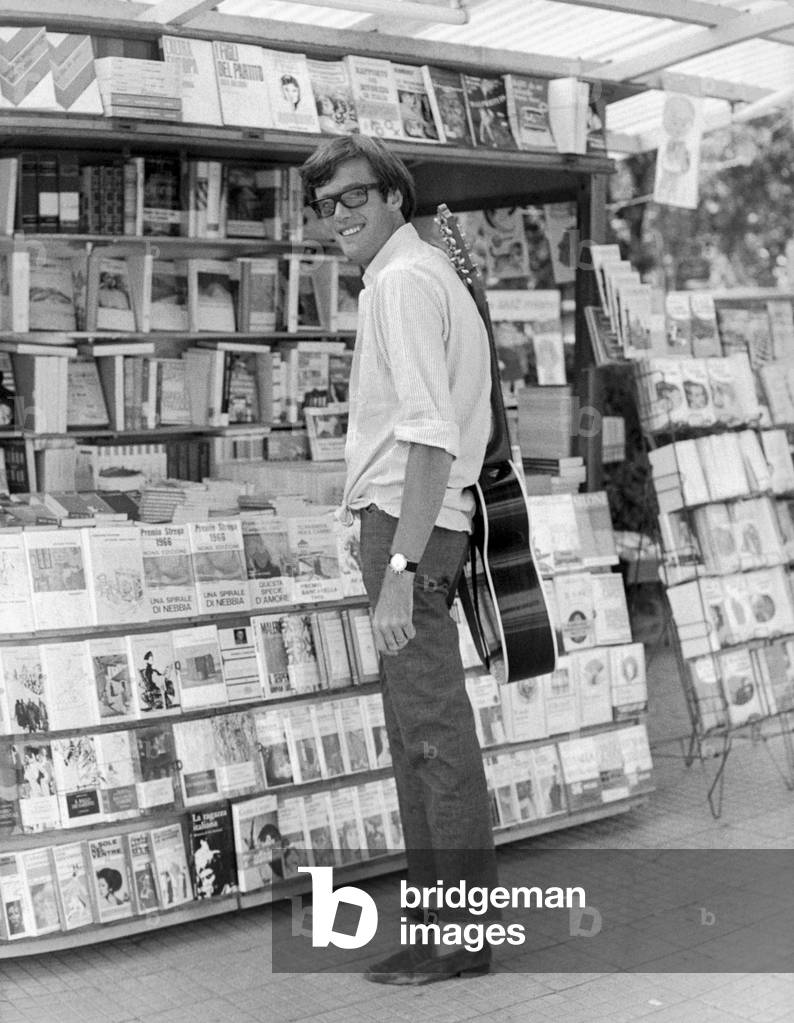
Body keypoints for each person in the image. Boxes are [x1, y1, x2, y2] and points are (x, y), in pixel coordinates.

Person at [300, 135, 496, 985]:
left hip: (410, 529)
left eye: (354, 197)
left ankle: (459, 936)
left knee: (432, 738)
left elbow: (427, 436)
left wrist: (402, 568)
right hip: (417, 525)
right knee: (423, 735)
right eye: (326, 203)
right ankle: (440, 925)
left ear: (393, 198)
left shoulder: (405, 285)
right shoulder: (413, 276)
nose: (339, 215)